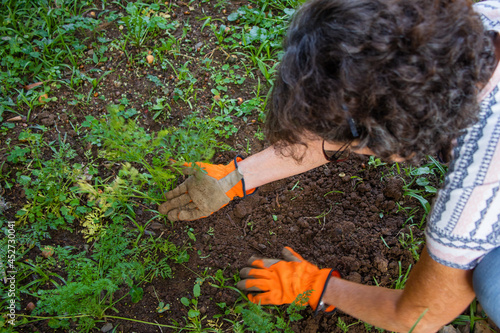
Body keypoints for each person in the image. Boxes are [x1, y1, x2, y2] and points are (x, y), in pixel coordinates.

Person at [158, 0, 500, 331]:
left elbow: (417, 317)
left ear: (397, 149)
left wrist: (317, 286)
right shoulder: (472, 20)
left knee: (490, 281)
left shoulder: (472, 194)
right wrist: (237, 176)